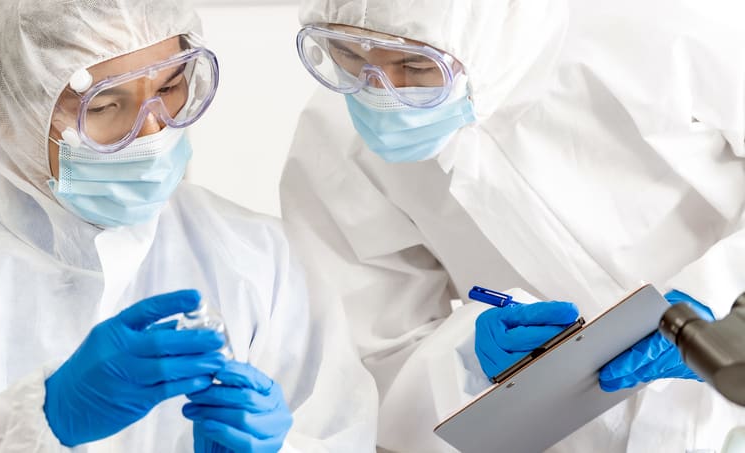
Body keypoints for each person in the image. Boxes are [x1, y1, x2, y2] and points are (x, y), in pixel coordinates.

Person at [0, 0, 378, 451]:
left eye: (170, 88)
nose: (153, 132)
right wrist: (38, 422)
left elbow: (339, 432)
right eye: (104, 106)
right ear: (10, 111)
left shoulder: (257, 258)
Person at [280, 0, 745, 451]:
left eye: (416, 67)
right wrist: (464, 363)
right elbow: (364, 361)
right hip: (573, 434)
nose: (380, 90)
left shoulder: (660, 24)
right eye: (347, 54)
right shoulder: (336, 142)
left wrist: (726, 302)